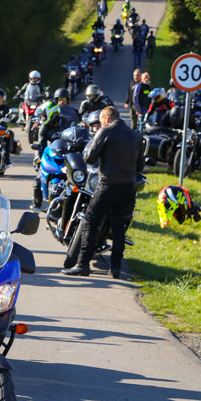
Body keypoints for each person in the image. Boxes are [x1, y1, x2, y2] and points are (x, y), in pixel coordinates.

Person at [62, 107, 143, 279]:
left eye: (100, 120)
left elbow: (89, 158)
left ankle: (83, 265)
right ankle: (116, 268)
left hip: (108, 185)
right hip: (128, 188)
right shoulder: (135, 135)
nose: (99, 124)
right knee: (119, 227)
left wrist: (95, 150)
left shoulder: (106, 132)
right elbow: (141, 165)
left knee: (90, 222)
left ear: (106, 118)